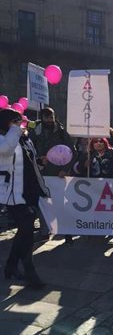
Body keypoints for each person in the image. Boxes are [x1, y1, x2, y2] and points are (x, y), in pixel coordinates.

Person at [0, 109, 47, 289]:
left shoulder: (23, 137)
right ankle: (29, 270)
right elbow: (5, 150)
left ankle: (11, 265)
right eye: (16, 121)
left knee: (25, 228)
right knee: (26, 227)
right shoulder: (5, 138)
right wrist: (16, 128)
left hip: (29, 188)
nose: (21, 124)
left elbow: (28, 161)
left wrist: (40, 163)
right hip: (11, 192)